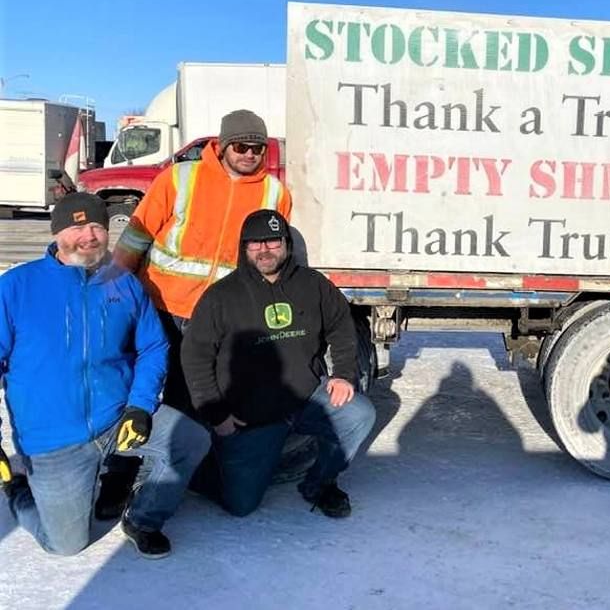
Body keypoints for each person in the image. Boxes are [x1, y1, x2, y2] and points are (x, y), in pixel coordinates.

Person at [0, 193, 209, 558]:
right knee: (65, 545)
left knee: (190, 440)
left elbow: (153, 347)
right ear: (58, 233)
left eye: (97, 225)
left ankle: (141, 518)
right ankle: (18, 487)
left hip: (117, 420)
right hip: (53, 439)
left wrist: (141, 406)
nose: (90, 235)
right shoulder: (16, 287)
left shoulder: (124, 284)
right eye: (77, 227)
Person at [104, 109, 291, 517]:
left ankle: (167, 480)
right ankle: (117, 476)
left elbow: (269, 257)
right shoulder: (179, 178)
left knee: (188, 402)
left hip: (216, 319)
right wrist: (116, 286)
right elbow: (138, 232)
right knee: (137, 394)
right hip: (161, 307)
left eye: (258, 148)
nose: (249, 154)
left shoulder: (275, 194)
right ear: (222, 146)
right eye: (241, 146)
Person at [180, 209, 375, 518]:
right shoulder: (222, 296)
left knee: (358, 415)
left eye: (272, 241)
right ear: (244, 248)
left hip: (306, 398)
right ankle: (201, 466)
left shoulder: (313, 284)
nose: (264, 250)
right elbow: (195, 355)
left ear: (286, 244)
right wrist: (217, 414)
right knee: (240, 505)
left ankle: (320, 484)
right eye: (255, 243)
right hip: (250, 415)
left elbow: (341, 325)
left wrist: (344, 374)